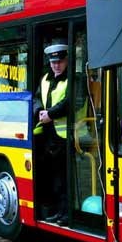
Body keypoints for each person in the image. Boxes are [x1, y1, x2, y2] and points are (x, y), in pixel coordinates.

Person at [33, 43, 70, 226]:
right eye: (53, 61)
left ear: (66, 60)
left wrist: (50, 114)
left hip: (66, 137)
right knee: (52, 177)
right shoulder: (46, 78)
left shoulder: (73, 79)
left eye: (60, 61)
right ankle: (56, 211)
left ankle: (65, 214)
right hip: (46, 135)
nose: (56, 65)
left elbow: (70, 102)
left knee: (63, 178)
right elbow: (37, 98)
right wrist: (40, 110)